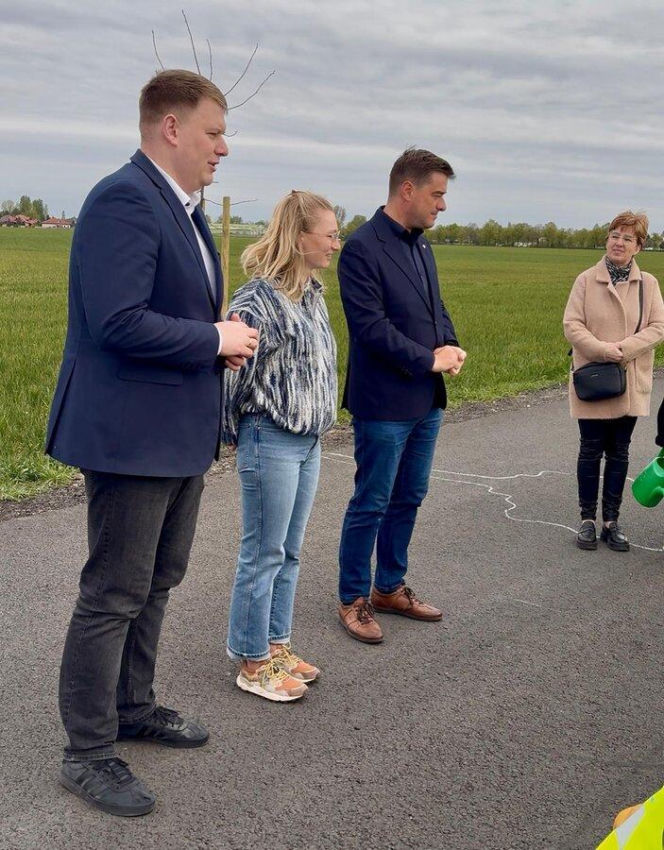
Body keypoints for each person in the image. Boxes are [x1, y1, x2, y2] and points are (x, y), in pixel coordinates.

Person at [45, 69, 259, 816]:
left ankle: (132, 707)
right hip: (131, 438)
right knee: (113, 592)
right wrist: (211, 336)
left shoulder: (187, 211)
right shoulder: (124, 199)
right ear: (170, 127)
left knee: (158, 581)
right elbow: (117, 321)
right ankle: (87, 751)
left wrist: (214, 347)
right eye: (213, 132)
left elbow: (162, 318)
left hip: (175, 434)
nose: (223, 147)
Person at [336, 148, 466, 644]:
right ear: (406, 190)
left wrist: (448, 342)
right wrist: (428, 359)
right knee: (371, 500)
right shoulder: (362, 247)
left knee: (409, 496)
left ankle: (388, 586)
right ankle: (353, 598)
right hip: (384, 403)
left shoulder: (422, 245)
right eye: (437, 194)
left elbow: (435, 307)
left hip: (425, 401)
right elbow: (370, 328)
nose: (442, 205)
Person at [222, 191, 339, 701]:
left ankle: (275, 643)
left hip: (309, 441)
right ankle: (251, 661)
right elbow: (231, 379)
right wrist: (244, 430)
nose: (337, 242)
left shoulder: (311, 294)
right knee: (263, 552)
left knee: (289, 552)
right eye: (330, 234)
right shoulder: (255, 301)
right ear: (299, 237)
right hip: (270, 438)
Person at [564, 211, 664, 552]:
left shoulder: (648, 284)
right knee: (590, 450)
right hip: (594, 377)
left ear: (638, 246)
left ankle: (612, 521)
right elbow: (572, 325)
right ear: (607, 239)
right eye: (614, 236)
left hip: (629, 379)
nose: (619, 243)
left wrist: (624, 349)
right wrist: (601, 350)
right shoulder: (585, 280)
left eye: (627, 238)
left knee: (619, 451)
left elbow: (658, 327)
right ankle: (587, 520)